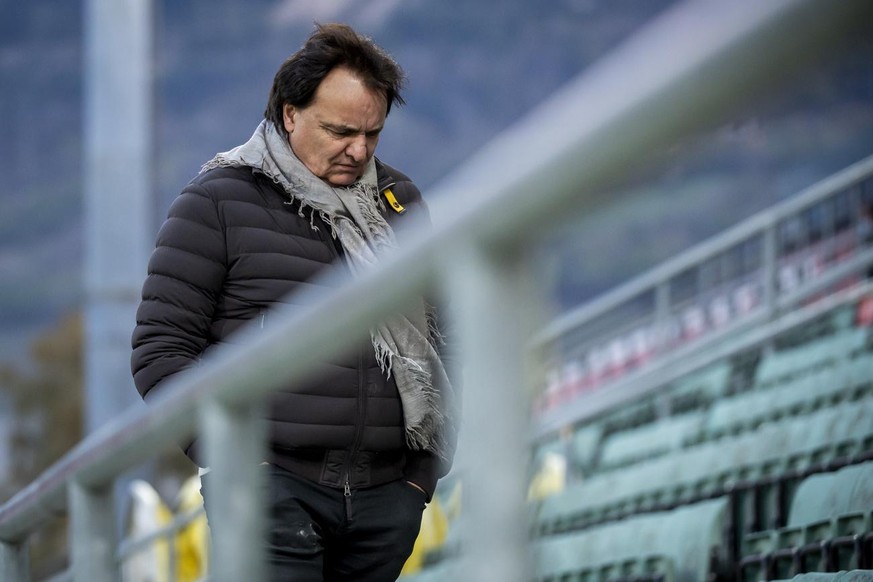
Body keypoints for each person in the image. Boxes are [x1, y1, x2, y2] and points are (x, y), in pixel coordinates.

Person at [131, 22, 458, 581]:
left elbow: (447, 339)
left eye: (373, 133)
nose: (359, 151)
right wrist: (232, 459)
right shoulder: (216, 201)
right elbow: (160, 353)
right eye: (340, 131)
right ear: (289, 113)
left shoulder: (399, 202)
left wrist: (421, 476)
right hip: (267, 490)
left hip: (388, 502)